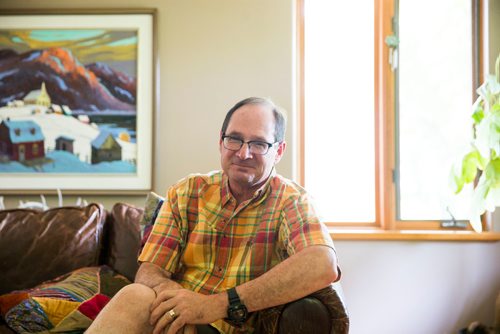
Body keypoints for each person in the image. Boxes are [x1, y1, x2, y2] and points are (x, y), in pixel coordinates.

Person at [86, 97, 340, 334]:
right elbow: (150, 271)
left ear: (279, 151)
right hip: (177, 317)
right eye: (235, 139)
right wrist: (179, 300)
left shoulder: (292, 201)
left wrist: (217, 305)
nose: (243, 153)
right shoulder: (187, 192)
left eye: (259, 144)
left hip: (235, 326)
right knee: (135, 295)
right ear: (221, 141)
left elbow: (322, 264)